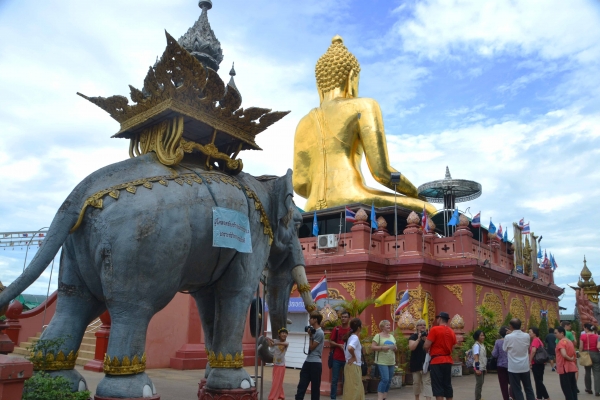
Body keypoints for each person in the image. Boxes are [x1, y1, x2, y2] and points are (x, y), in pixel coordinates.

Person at [292, 35, 436, 214]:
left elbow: (300, 184)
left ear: (318, 83)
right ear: (352, 77)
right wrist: (416, 193)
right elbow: (382, 173)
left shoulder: (303, 123)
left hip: (312, 206)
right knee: (429, 209)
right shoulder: (363, 106)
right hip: (352, 196)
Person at [424, 311, 457, 400]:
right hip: (448, 360)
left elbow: (426, 345)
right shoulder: (452, 332)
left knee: (438, 387)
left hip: (436, 361)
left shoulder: (434, 329)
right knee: (447, 385)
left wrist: (427, 349)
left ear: (440, 319)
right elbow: (453, 347)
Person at [503, 318, 535, 400]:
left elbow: (505, 349)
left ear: (511, 326)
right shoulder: (527, 336)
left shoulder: (508, 337)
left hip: (513, 367)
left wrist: (510, 335)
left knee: (517, 389)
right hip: (524, 366)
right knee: (528, 388)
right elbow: (527, 346)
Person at [295, 312, 324, 400]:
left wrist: (311, 336)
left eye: (311, 318)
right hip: (308, 361)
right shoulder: (312, 330)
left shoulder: (320, 333)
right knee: (301, 385)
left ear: (315, 320)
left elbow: (311, 347)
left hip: (316, 363)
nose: (309, 320)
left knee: (315, 388)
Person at [372, 320, 397, 400]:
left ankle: (384, 397)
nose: (389, 326)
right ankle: (380, 397)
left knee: (389, 380)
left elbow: (395, 347)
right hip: (382, 361)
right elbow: (373, 347)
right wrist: (382, 348)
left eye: (389, 325)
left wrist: (395, 348)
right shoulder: (378, 336)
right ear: (382, 327)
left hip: (391, 361)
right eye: (387, 325)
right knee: (385, 379)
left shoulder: (392, 336)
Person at [328, 311, 351, 399]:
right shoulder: (336, 329)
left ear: (349, 318)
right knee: (334, 380)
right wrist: (338, 345)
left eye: (345, 317)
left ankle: (345, 397)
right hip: (336, 358)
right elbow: (331, 342)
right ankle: (333, 398)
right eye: (342, 317)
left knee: (346, 380)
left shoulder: (351, 330)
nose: (343, 318)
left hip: (347, 359)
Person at [409, 319, 433, 400]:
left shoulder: (429, 336)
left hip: (426, 363)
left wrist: (426, 339)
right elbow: (412, 348)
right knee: (416, 383)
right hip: (416, 363)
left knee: (427, 382)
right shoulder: (413, 336)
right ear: (417, 327)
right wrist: (419, 339)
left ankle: (428, 398)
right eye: (420, 325)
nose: (423, 326)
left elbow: (431, 348)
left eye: (424, 325)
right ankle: (417, 398)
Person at [342, 318, 365, 400]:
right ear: (359, 328)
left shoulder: (350, 337)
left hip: (350, 365)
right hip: (353, 366)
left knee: (352, 389)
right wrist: (354, 356)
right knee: (354, 389)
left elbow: (345, 347)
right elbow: (350, 347)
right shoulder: (354, 337)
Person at [555, 326, 578, 400]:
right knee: (572, 388)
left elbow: (564, 354)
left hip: (564, 368)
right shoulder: (569, 341)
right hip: (571, 367)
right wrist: (572, 359)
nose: (555, 335)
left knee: (566, 389)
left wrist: (569, 358)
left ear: (562, 333)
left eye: (556, 333)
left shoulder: (561, 342)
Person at [266, 328, 290, 400]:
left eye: (285, 333)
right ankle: (281, 395)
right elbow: (271, 345)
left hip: (281, 366)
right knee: (277, 381)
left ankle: (272, 397)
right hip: (276, 365)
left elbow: (280, 343)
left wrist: (274, 343)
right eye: (282, 333)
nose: (284, 334)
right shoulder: (276, 341)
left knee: (276, 382)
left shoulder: (286, 343)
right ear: (279, 335)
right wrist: (268, 340)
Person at [492, 326, 515, 400]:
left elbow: (494, 354)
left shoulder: (498, 342)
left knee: (503, 384)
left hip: (501, 365)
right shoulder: (512, 341)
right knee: (513, 382)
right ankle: (512, 395)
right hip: (511, 364)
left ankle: (506, 398)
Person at [528, 327, 550, 400]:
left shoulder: (535, 340)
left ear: (534, 333)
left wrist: (530, 361)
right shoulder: (539, 340)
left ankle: (546, 397)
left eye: (530, 332)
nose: (529, 333)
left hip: (536, 363)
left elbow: (533, 351)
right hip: (540, 363)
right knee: (539, 380)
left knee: (538, 381)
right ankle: (539, 397)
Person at [579, 323, 600, 395]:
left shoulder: (583, 336)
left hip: (586, 354)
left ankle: (588, 388)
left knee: (587, 372)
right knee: (597, 372)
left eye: (584, 328)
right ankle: (597, 390)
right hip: (596, 354)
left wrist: (580, 353)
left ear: (586, 328)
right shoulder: (597, 336)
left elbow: (581, 347)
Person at [472, 330, 487, 400]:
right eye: (481, 335)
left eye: (483, 335)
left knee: (481, 383)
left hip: (482, 367)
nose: (483, 337)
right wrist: (477, 369)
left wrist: (485, 368)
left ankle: (479, 397)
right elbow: (476, 357)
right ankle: (477, 398)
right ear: (477, 337)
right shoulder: (476, 346)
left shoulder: (482, 345)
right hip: (478, 367)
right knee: (479, 384)